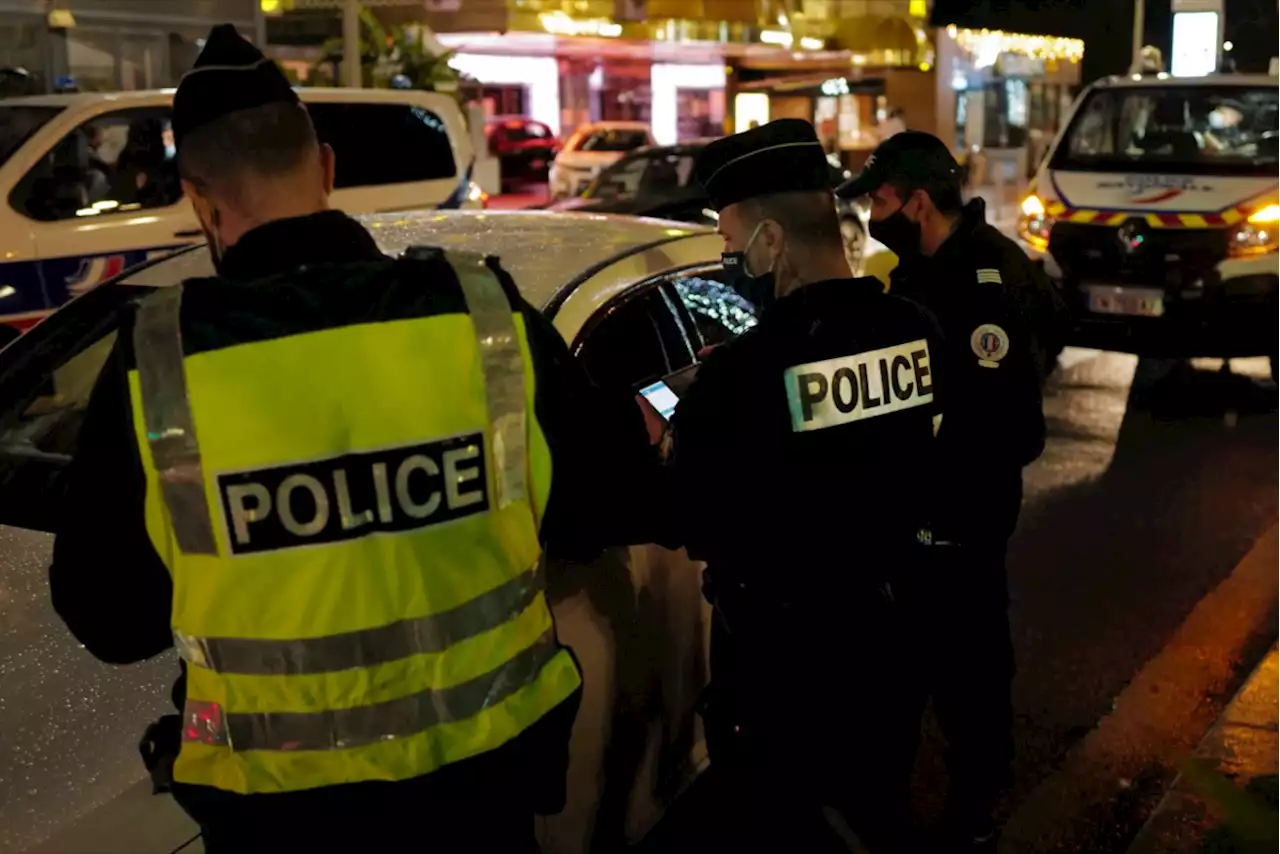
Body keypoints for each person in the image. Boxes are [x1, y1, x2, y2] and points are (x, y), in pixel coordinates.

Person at [49, 24, 655, 852]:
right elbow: (612, 496)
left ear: (201, 199)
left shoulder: (161, 357)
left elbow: (111, 619)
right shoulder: (480, 313)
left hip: (283, 817)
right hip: (481, 797)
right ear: (327, 168)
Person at [667, 118, 948, 853]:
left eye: (730, 234)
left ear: (771, 238)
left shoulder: (739, 376)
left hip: (782, 660)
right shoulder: (916, 330)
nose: (727, 252)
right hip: (892, 634)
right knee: (876, 809)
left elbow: (686, 512)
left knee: (783, 824)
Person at [838, 130, 1068, 853]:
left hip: (962, 525)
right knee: (899, 682)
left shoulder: (988, 281)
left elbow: (1006, 426)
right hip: (912, 525)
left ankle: (977, 813)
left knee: (969, 675)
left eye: (879, 200)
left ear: (916, 200)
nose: (873, 214)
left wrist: (937, 489)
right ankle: (891, 816)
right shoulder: (917, 271)